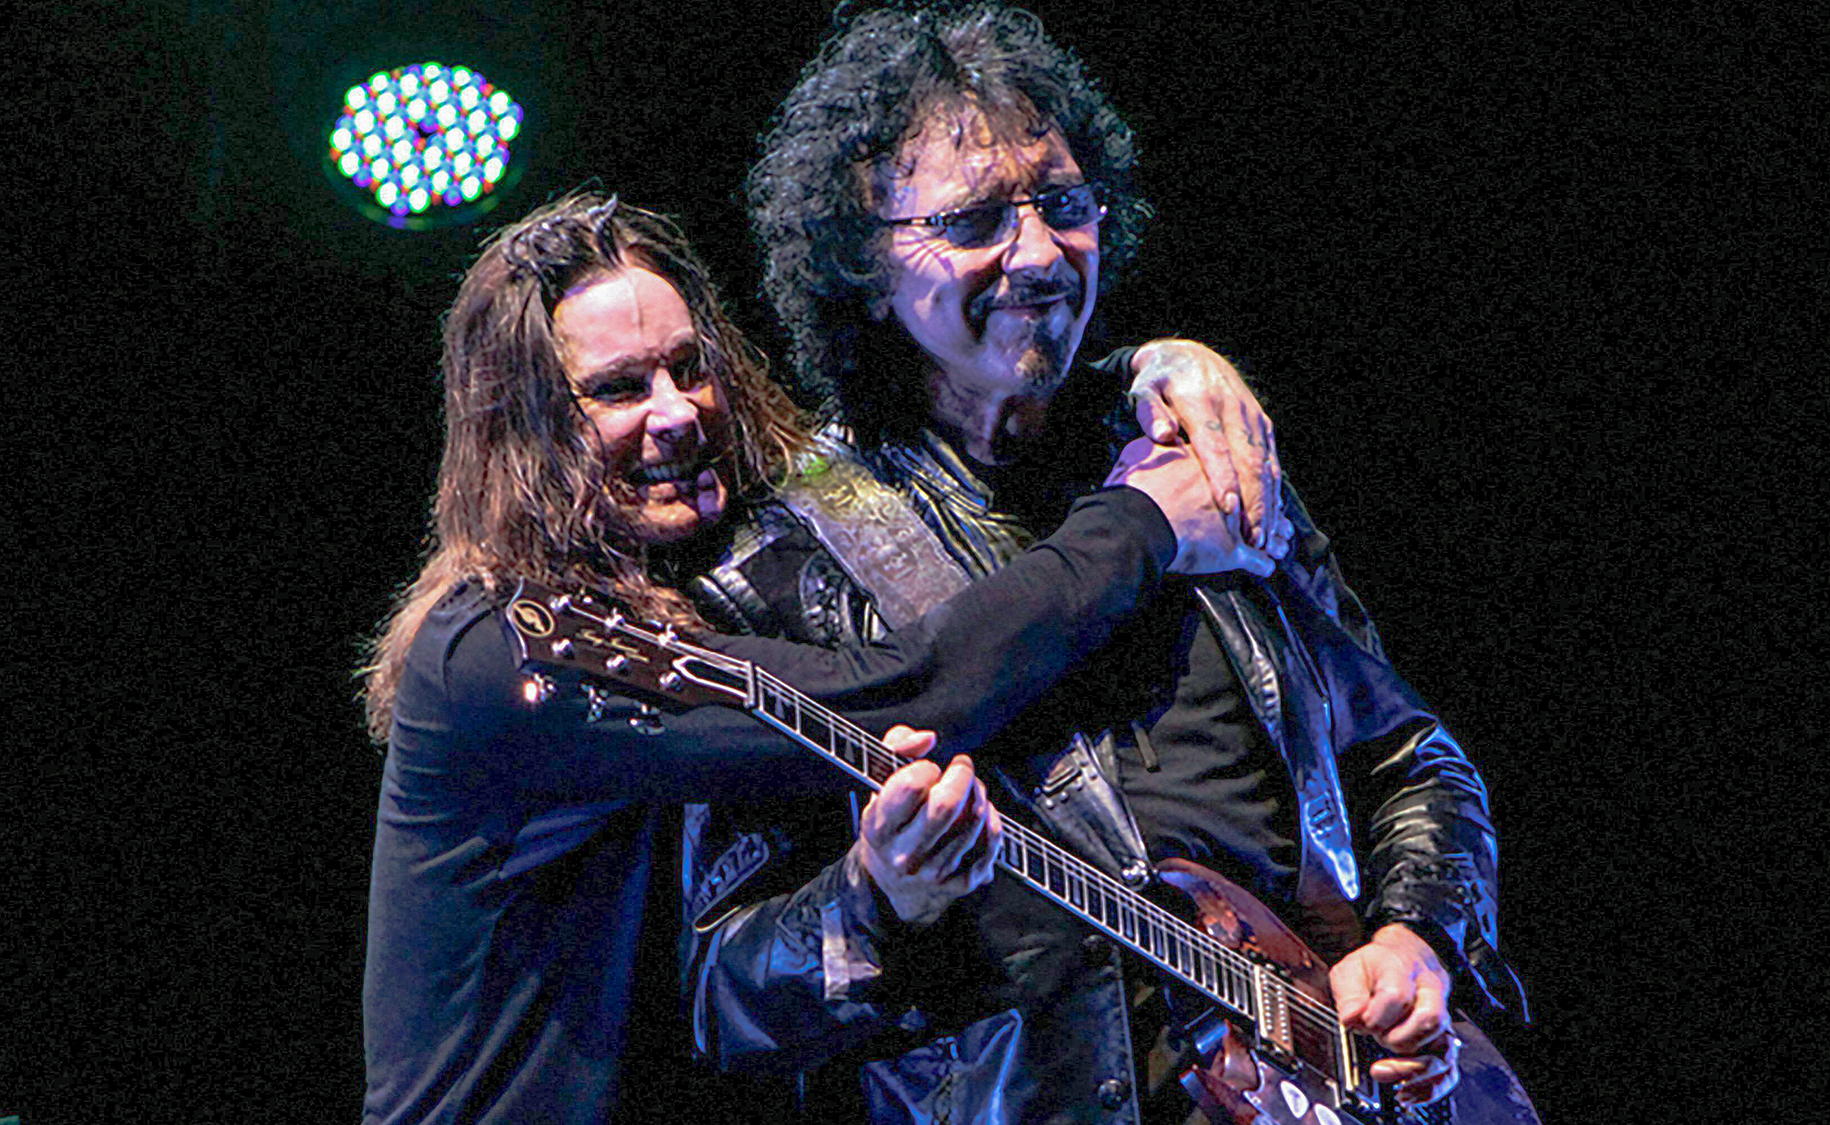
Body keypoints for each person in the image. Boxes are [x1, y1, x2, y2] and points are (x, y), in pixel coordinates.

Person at [678, 5, 1536, 1124]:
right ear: (863, 265)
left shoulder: (1205, 455)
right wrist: (874, 894)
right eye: (974, 220)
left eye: (1064, 204)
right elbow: (725, 999)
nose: (1039, 254)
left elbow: (1412, 759)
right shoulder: (784, 566)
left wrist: (1416, 938)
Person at [355, 191, 1266, 1125]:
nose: (677, 412)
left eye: (690, 367)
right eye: (620, 389)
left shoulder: (730, 567)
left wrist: (1150, 372)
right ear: (523, 431)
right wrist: (1139, 523)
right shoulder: (498, 646)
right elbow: (899, 692)